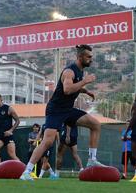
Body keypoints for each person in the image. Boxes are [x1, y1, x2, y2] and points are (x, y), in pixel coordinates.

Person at [20, 44, 104, 181]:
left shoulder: (80, 71)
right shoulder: (69, 71)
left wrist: (86, 91)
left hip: (68, 110)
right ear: (80, 57)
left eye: (91, 57)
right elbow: (67, 89)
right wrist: (85, 82)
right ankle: (26, 172)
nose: (91, 59)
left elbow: (73, 87)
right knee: (47, 142)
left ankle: (92, 159)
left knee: (95, 125)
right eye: (88, 57)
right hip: (56, 110)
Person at [0, 93, 20, 168]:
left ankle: (25, 171)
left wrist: (11, 130)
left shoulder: (8, 108)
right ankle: (0, 168)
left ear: (1, 100)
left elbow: (17, 121)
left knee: (12, 155)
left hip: (8, 135)